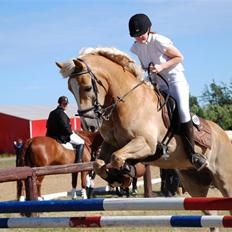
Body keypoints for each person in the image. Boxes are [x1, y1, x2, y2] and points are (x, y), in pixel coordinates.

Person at [128, 13, 207, 171]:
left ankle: (192, 154)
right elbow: (144, 66)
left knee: (183, 112)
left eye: (141, 34)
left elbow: (179, 57)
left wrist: (161, 67)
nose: (139, 38)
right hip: (159, 84)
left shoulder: (159, 40)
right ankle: (161, 146)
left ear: (149, 29)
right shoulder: (136, 47)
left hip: (175, 81)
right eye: (136, 36)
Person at [46, 96, 84, 162]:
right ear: (60, 103)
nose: (66, 105)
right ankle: (79, 162)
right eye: (64, 104)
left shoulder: (52, 112)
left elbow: (47, 125)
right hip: (61, 136)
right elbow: (65, 127)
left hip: (50, 136)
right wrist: (71, 132)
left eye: (66, 103)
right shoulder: (61, 113)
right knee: (81, 142)